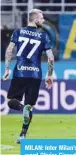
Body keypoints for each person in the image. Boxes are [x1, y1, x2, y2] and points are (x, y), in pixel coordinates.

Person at [2, 9, 54, 144]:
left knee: (11, 101)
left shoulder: (18, 32)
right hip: (36, 74)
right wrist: (49, 75)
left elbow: (9, 50)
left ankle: (21, 108)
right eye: (41, 18)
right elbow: (51, 58)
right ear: (35, 19)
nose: (43, 20)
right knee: (29, 106)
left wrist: (7, 69)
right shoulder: (43, 35)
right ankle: (22, 135)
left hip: (20, 72)